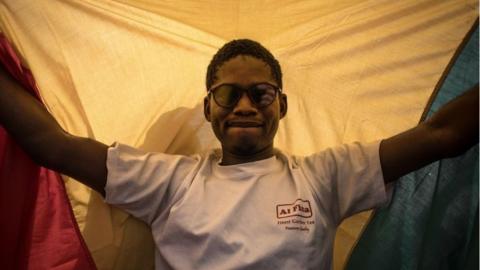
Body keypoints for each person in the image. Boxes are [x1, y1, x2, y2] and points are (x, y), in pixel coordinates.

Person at [0, 39, 478, 269]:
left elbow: (442, 135)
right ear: (209, 107)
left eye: (261, 94)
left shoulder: (326, 177)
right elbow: (51, 144)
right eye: (228, 94)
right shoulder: (167, 181)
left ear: (282, 105)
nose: (245, 106)